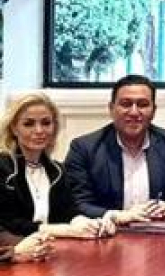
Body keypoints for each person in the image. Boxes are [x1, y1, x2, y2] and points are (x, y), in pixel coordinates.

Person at [65, 74, 165, 226]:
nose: (134, 112)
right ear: (111, 109)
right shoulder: (84, 149)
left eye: (143, 104)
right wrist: (117, 216)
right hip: (108, 232)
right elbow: (77, 204)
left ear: (154, 110)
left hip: (160, 232)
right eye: (126, 104)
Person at [0, 93, 110, 239]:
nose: (39, 130)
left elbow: (68, 212)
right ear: (14, 128)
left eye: (46, 123)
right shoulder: (3, 168)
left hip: (51, 247)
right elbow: (8, 222)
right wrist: (60, 230)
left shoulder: (58, 171)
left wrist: (87, 223)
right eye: (29, 124)